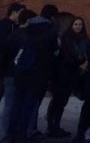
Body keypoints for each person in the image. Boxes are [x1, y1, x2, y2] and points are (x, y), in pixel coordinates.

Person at [7, 8, 58, 143]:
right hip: (37, 74)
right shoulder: (50, 31)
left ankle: (11, 134)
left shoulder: (26, 31)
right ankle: (22, 135)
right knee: (28, 106)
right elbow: (53, 54)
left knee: (17, 104)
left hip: (21, 72)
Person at [46, 16, 88, 139]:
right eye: (76, 24)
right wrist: (80, 61)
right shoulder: (67, 39)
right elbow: (68, 57)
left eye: (80, 24)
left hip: (72, 75)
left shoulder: (84, 39)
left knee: (62, 102)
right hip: (62, 74)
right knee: (58, 101)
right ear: (71, 25)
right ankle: (52, 126)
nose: (78, 26)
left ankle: (56, 125)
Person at [0, 3, 27, 139]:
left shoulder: (15, 28)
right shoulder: (4, 26)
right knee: (9, 105)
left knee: (9, 104)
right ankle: (4, 133)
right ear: (14, 12)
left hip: (8, 70)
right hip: (5, 70)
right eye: (21, 12)